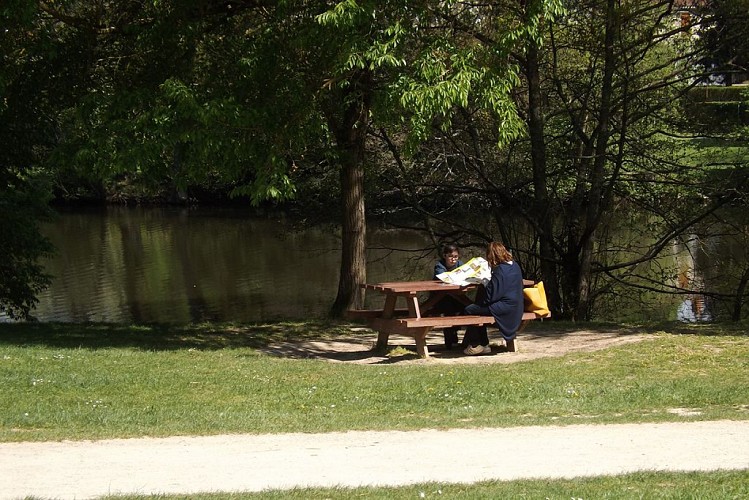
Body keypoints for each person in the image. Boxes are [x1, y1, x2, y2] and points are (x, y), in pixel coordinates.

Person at [462, 241, 524, 355]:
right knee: (478, 308)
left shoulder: (499, 270)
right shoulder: (515, 266)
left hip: (504, 308)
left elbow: (491, 296)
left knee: (469, 310)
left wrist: (485, 282)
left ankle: (478, 344)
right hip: (517, 306)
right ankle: (481, 343)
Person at [429, 244, 465, 349]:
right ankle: (449, 341)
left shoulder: (460, 264)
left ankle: (455, 328)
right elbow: (443, 277)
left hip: (457, 296)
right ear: (445, 256)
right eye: (450, 256)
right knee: (448, 309)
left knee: (468, 307)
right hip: (440, 298)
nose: (453, 259)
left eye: (455, 256)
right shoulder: (439, 265)